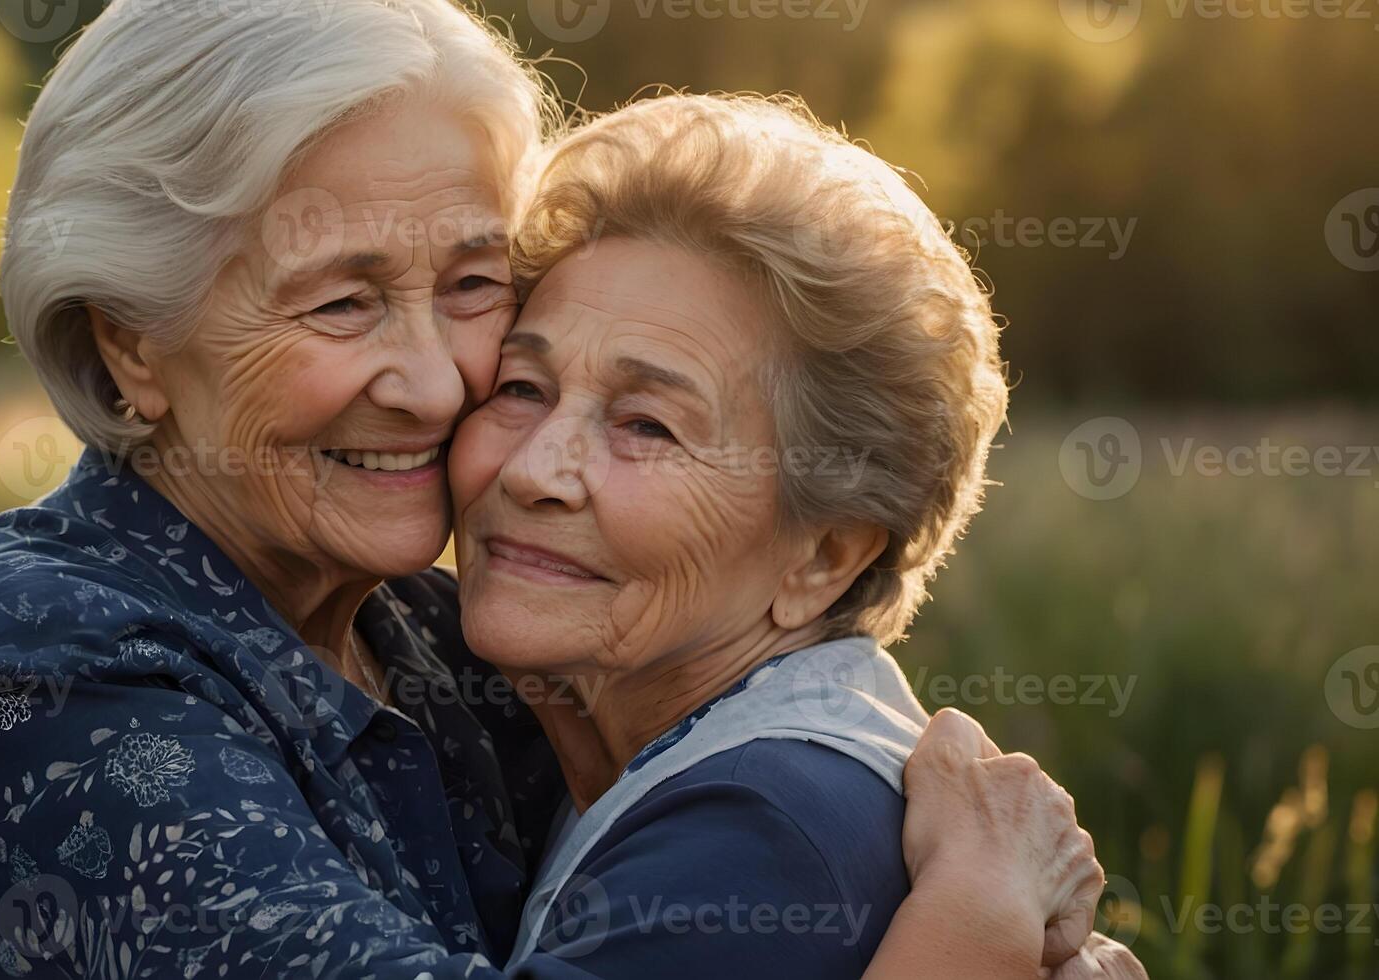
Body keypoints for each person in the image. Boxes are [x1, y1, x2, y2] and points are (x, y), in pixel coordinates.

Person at [0, 3, 1135, 977]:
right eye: (343, 301)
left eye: (475, 285)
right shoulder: (23, 658)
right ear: (130, 342)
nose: (435, 385)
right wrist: (970, 929)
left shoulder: (438, 644)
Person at [448, 92, 1140, 978]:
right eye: (520, 388)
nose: (533, 469)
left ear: (823, 557)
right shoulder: (664, 747)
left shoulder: (759, 834)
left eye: (648, 426)